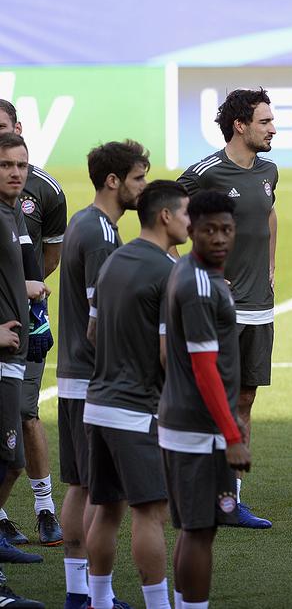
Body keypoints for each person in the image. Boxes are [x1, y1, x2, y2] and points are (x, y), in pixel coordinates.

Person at [82, 181, 189, 609]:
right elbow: (169, 355)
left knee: (107, 507)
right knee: (150, 512)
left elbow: (92, 332)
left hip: (99, 405)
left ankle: (100, 601)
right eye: (186, 214)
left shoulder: (113, 261)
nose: (191, 222)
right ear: (165, 216)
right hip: (137, 411)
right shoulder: (169, 271)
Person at [177, 88, 278, 530]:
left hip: (260, 306)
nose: (273, 128)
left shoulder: (269, 171)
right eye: (265, 122)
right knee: (207, 399)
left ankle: (231, 500)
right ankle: (198, 490)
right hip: (220, 309)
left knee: (245, 399)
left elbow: (269, 213)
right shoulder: (205, 173)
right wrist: (198, 271)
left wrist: (272, 263)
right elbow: (161, 216)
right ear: (240, 125)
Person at [58, 140, 148, 609]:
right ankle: (99, 596)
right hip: (95, 379)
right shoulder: (102, 235)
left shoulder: (81, 221)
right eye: (138, 179)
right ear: (114, 181)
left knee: (81, 484)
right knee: (103, 493)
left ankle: (79, 594)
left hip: (74, 375)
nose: (144, 188)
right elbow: (100, 321)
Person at [159, 191, 252, 609]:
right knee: (199, 530)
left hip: (195, 423)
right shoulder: (198, 284)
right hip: (199, 428)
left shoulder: (199, 274)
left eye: (226, 230)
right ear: (190, 230)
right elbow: (204, 369)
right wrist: (231, 433)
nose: (219, 238)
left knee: (197, 529)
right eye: (209, 230)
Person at [0, 100, 64, 548]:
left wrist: (24, 292)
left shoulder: (44, 192)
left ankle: (45, 509)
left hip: (26, 329)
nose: (13, 168)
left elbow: (49, 258)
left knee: (25, 414)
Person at [0, 132, 49, 608]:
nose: (16, 173)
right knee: (9, 461)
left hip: (14, 355)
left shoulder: (15, 212)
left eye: (22, 165)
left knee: (9, 461)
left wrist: (29, 290)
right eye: (5, 165)